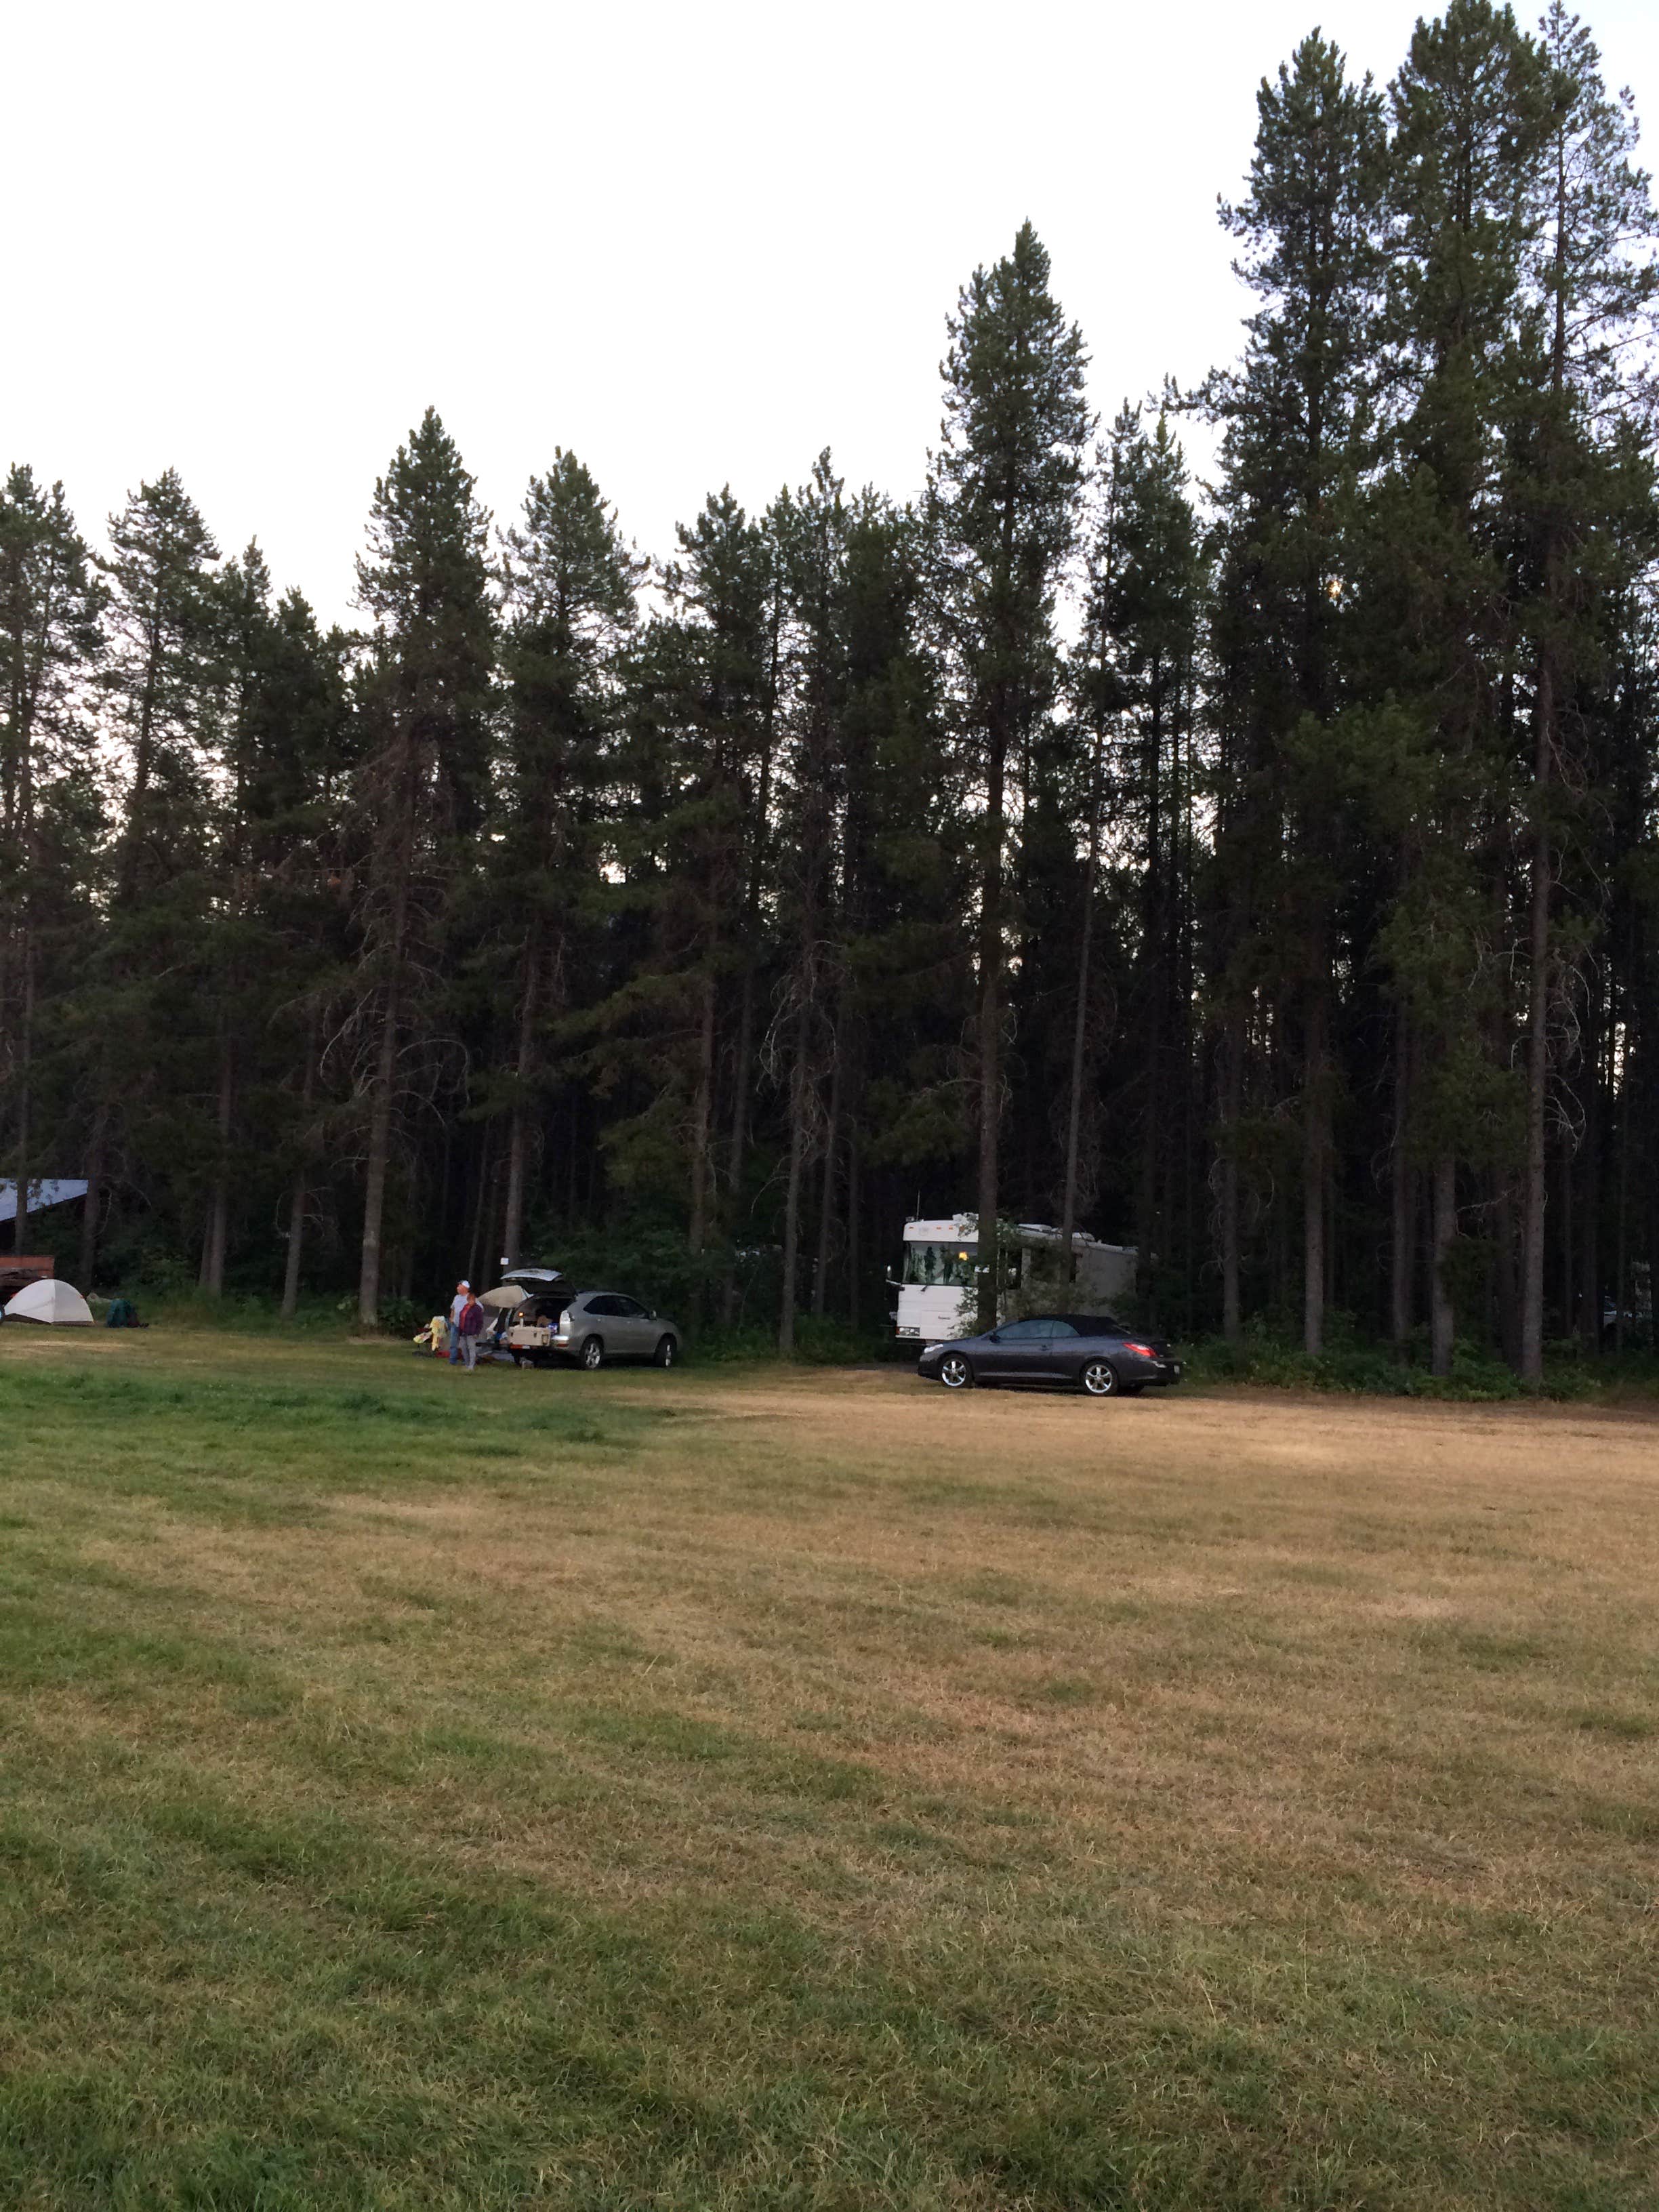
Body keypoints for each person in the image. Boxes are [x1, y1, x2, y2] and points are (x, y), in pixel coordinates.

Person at [455, 1288, 486, 1372]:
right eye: (469, 1300)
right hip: (463, 1331)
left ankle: (471, 1366)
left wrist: (477, 1332)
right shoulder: (465, 1308)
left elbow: (480, 1322)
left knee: (471, 1348)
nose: (470, 1301)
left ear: (474, 1300)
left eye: (472, 1300)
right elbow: (462, 1318)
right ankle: (467, 1363)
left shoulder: (477, 1309)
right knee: (463, 1348)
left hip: (472, 1332)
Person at [446, 1279, 470, 1364]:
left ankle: (465, 1360)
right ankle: (452, 1360)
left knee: (465, 1344)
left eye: (459, 1286)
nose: (457, 1288)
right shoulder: (456, 1297)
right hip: (455, 1324)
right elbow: (453, 1309)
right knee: (453, 1343)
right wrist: (451, 1318)